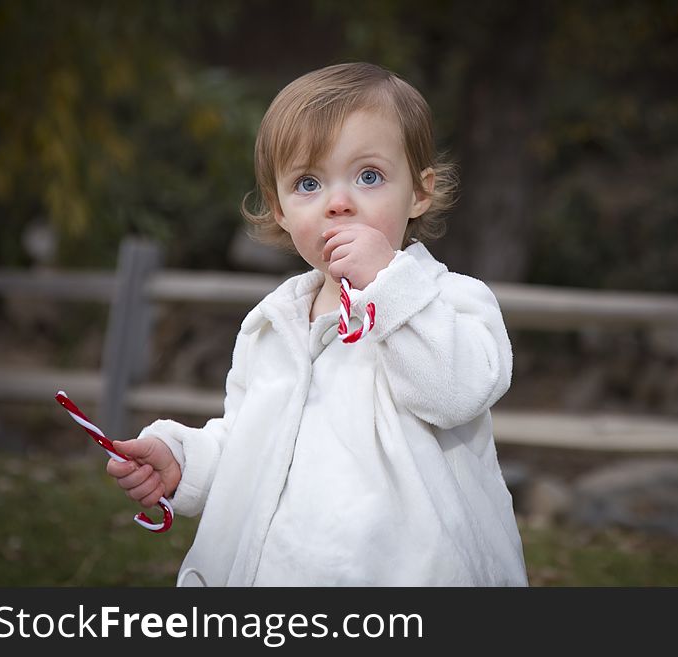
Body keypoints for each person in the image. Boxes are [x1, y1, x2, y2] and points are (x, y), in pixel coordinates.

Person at [106, 62, 528, 586]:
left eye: (369, 176)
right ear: (280, 209)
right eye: (308, 183)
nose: (339, 202)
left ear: (419, 192)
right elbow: (250, 443)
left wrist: (385, 284)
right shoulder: (272, 324)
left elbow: (456, 393)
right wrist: (185, 462)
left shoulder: (451, 302)